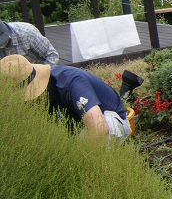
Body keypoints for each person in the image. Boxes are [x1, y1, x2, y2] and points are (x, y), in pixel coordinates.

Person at [0, 54, 131, 140]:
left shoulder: (71, 81)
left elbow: (99, 128)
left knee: (86, 138)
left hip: (110, 119)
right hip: (75, 126)